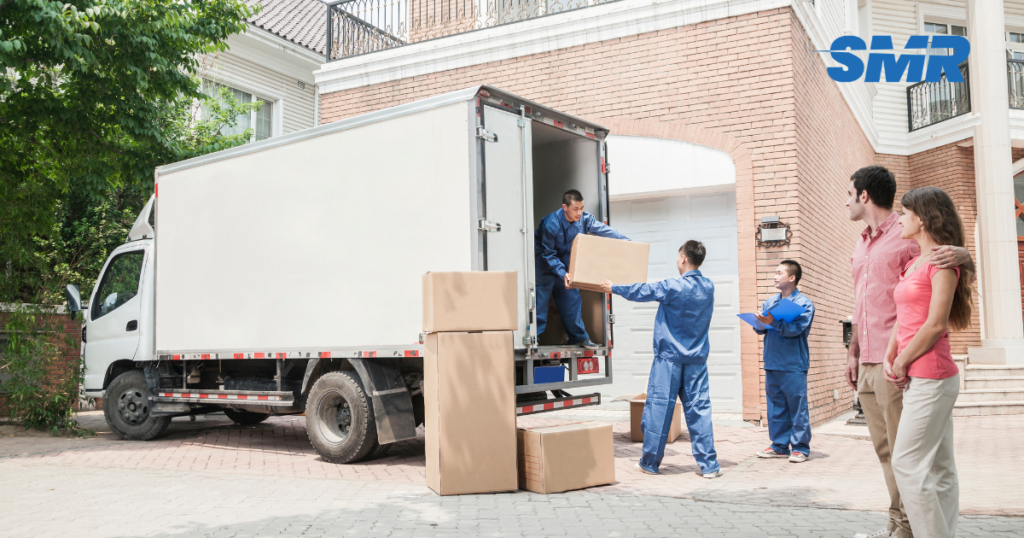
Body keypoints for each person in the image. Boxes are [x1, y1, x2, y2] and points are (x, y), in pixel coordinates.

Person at [844, 166, 973, 538]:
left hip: (911, 365)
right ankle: (904, 525)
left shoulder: (907, 237)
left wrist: (965, 255)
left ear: (864, 195)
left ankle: (907, 529)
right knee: (892, 454)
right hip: (873, 358)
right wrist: (853, 351)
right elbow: (863, 302)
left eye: (848, 193)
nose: (846, 200)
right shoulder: (862, 243)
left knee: (911, 461)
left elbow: (945, 271)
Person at [885, 187, 972, 538]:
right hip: (919, 375)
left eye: (904, 214)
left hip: (932, 375)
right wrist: (893, 353)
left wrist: (903, 360)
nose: (900, 219)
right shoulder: (913, 263)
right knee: (939, 467)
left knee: (906, 463)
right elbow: (904, 316)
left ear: (921, 218)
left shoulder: (943, 263)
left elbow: (935, 324)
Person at [600, 240, 722, 479]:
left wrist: (613, 288)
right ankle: (710, 466)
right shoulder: (708, 287)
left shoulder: (673, 286)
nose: (677, 260)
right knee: (699, 411)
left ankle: (650, 463)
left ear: (684, 258)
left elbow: (643, 291)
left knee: (659, 410)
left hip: (669, 360)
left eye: (678, 256)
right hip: (696, 360)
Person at [535, 189, 628, 348]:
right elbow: (548, 253)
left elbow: (605, 230)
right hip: (544, 263)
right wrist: (562, 273)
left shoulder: (585, 219)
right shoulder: (551, 224)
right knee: (540, 301)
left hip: (565, 261)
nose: (579, 212)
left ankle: (579, 338)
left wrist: (627, 242)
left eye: (582, 208)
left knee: (572, 298)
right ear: (565, 207)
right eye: (575, 209)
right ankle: (534, 339)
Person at [751, 260, 815, 463]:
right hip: (772, 362)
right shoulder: (770, 302)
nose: (774, 276)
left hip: (793, 363)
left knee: (797, 407)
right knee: (776, 406)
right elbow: (760, 329)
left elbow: (796, 330)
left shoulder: (804, 304)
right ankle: (779, 446)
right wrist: (759, 323)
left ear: (792, 277)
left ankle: (800, 448)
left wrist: (773, 322)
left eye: (779, 273)